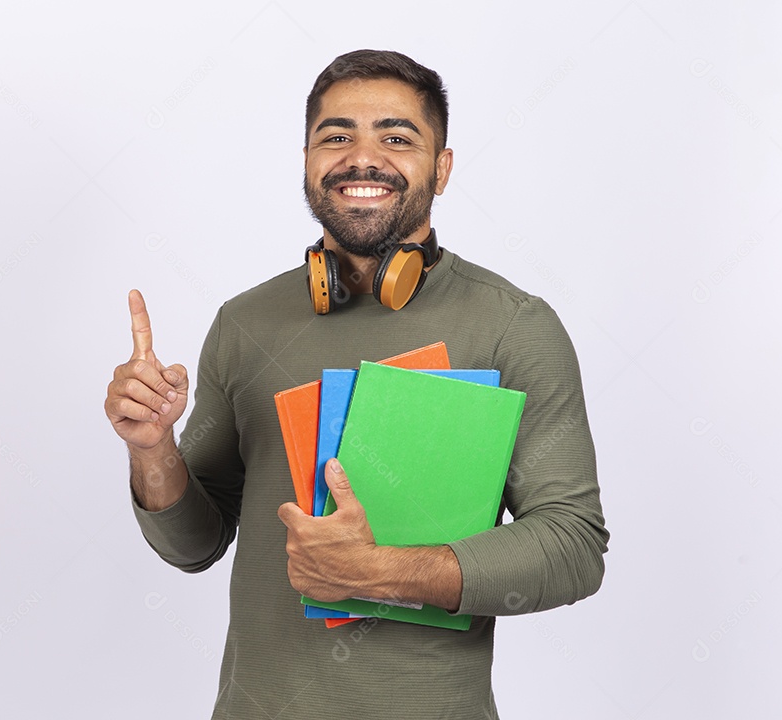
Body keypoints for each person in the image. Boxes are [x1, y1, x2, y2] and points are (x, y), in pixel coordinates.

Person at [105, 49, 608, 719]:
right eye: (336, 136)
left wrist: (380, 572)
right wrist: (152, 447)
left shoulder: (513, 325)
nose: (361, 158)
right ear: (308, 161)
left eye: (397, 137)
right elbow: (192, 544)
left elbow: (573, 547)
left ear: (442, 167)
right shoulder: (244, 324)